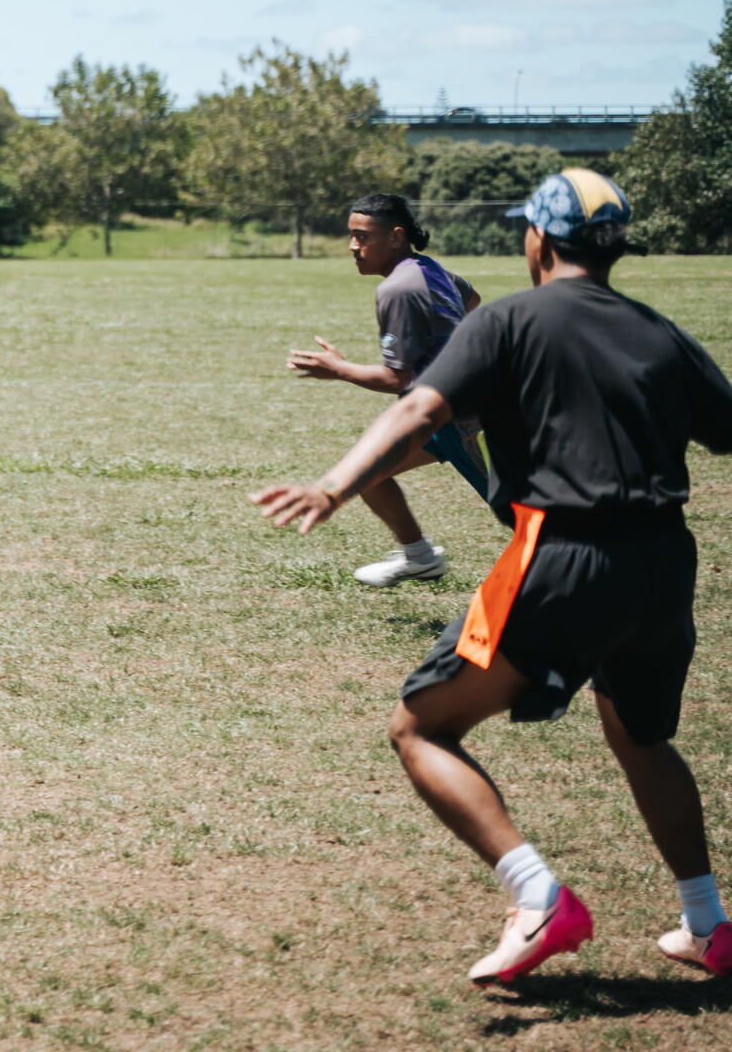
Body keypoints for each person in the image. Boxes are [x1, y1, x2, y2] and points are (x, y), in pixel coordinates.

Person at [252, 168, 732, 986]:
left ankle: (538, 896)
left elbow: (416, 408)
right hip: (663, 562)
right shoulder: (660, 331)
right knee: (643, 739)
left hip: (564, 556)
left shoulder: (511, 318)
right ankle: (710, 924)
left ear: (536, 241)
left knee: (421, 727)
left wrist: (335, 485)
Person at [286, 193, 489, 586]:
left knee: (521, 514)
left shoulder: (397, 289)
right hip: (445, 409)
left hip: (453, 417)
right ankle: (420, 557)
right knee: (368, 473)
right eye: (351, 237)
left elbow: (397, 379)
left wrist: (339, 369)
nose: (352, 247)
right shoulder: (428, 268)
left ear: (395, 238)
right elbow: (473, 299)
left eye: (362, 237)